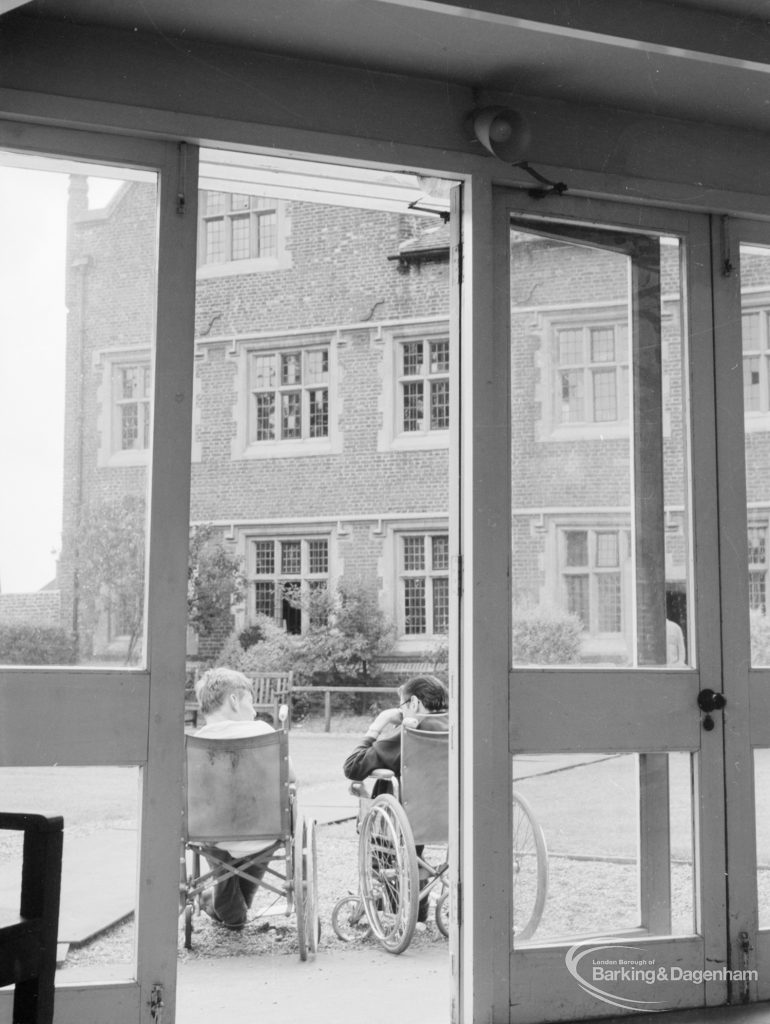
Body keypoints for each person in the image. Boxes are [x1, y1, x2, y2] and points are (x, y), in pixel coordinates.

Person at [343, 674, 449, 925]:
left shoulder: (409, 734)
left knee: (386, 792)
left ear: (413, 704)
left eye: (401, 706)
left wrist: (377, 726)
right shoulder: (460, 728)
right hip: (448, 818)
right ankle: (417, 905)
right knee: (413, 834)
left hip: (406, 822)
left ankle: (388, 900)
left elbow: (353, 767)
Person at [194, 667, 288, 930]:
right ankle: (228, 910)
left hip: (213, 835)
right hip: (264, 833)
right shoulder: (260, 731)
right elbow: (289, 776)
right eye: (250, 700)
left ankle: (221, 905)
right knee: (235, 911)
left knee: (232, 907)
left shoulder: (197, 743)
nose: (255, 710)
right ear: (234, 700)